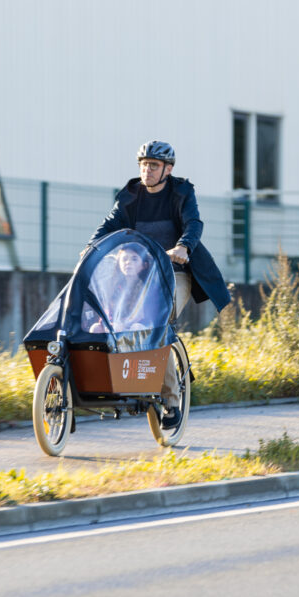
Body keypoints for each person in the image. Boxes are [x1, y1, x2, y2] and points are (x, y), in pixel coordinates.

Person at [86, 141, 231, 428]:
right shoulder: (130, 195)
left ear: (168, 169)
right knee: (109, 318)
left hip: (174, 273)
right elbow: (110, 224)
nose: (147, 170)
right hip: (138, 275)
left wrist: (183, 246)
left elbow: (193, 223)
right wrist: (91, 247)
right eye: (143, 165)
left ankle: (171, 401)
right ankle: (119, 379)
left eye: (153, 165)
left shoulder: (181, 192)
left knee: (157, 322)